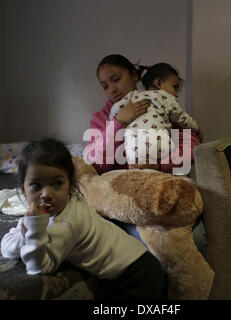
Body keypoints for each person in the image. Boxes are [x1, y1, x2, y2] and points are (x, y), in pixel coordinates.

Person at [0, 138, 168, 299]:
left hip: (137, 274)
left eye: (57, 184)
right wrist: (25, 232)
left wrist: (34, 231)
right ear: (24, 190)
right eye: (36, 186)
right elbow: (7, 248)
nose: (46, 195)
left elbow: (38, 267)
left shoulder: (68, 223)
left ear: (70, 185)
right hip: (137, 264)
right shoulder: (42, 212)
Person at [84, 54, 207, 255]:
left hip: (164, 188)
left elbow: (191, 147)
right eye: (105, 86)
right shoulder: (102, 118)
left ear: (134, 75)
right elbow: (96, 163)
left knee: (197, 240)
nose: (112, 89)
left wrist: (159, 166)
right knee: (141, 245)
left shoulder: (159, 101)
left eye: (116, 79)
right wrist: (118, 123)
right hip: (124, 198)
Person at [108, 62, 200, 168]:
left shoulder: (132, 96)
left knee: (134, 165)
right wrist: (197, 130)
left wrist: (116, 120)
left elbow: (115, 109)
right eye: (175, 87)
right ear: (158, 83)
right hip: (160, 145)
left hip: (133, 150)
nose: (176, 94)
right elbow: (183, 119)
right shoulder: (167, 98)